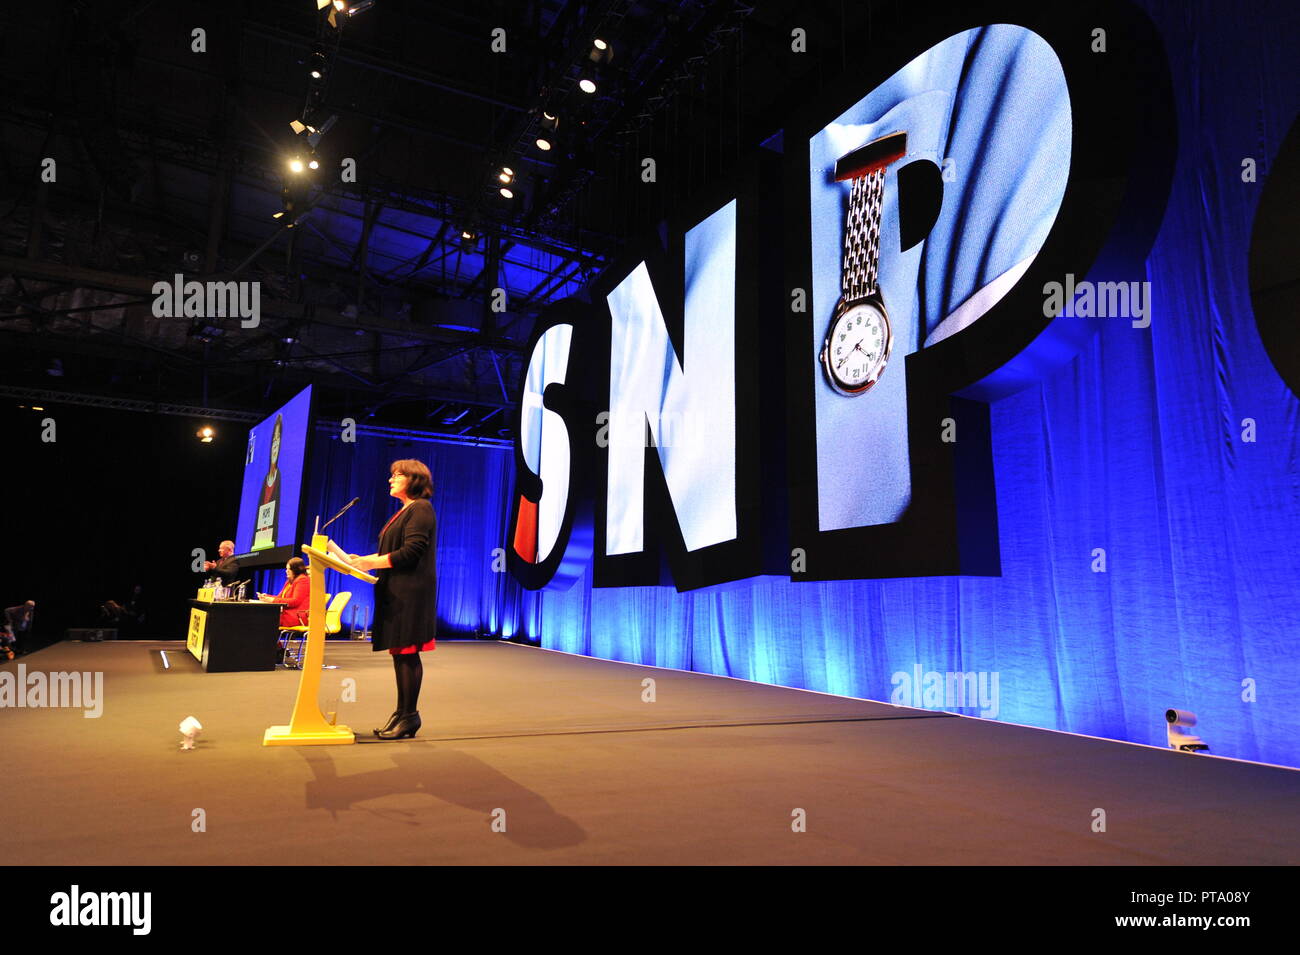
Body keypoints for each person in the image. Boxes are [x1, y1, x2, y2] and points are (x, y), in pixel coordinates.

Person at [349, 459, 438, 740]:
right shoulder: (405, 511)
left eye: (397, 475)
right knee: (401, 654)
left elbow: (411, 552)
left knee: (408, 654)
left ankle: (410, 716)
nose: (390, 480)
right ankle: (402, 713)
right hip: (397, 590)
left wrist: (370, 562)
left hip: (411, 592)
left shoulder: (421, 509)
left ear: (414, 479)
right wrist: (361, 561)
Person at [259, 557, 310, 628]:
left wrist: (273, 600)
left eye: (289, 569)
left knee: (264, 617)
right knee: (261, 616)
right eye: (286, 569)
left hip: (296, 616)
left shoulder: (303, 580)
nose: (286, 571)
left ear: (296, 570)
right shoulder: (289, 582)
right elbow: (279, 598)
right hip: (286, 615)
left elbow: (296, 601)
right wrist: (267, 597)